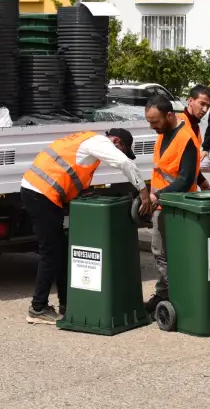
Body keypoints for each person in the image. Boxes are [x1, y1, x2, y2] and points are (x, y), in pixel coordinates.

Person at [21, 128, 151, 325]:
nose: (121, 154)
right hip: (40, 194)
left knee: (61, 251)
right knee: (51, 252)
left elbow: (70, 172)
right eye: (122, 149)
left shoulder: (86, 142)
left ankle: (66, 303)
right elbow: (124, 163)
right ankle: (38, 308)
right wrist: (143, 191)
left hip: (42, 193)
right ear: (116, 141)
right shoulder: (100, 143)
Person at [144, 93, 202, 313]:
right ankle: (163, 293)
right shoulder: (164, 132)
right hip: (162, 204)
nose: (152, 127)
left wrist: (156, 196)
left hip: (177, 206)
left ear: (169, 116)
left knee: (171, 254)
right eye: (149, 122)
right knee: (160, 253)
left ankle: (173, 295)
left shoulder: (186, 137)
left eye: (155, 122)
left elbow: (186, 178)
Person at [182, 84, 210, 190]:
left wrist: (201, 181)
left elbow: (190, 162)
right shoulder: (179, 124)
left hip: (184, 190)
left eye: (208, 106)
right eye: (202, 104)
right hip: (170, 194)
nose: (205, 110)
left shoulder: (194, 126)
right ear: (190, 101)